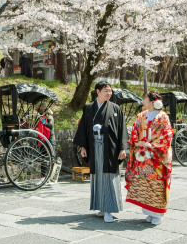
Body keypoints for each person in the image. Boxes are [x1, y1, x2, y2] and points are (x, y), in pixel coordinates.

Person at [73, 82, 129, 223]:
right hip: (94, 147)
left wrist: (123, 148)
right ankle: (101, 207)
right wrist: (84, 147)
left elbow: (122, 130)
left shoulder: (116, 109)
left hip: (110, 148)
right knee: (97, 177)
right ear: (98, 91)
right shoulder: (89, 108)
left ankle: (109, 209)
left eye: (110, 91)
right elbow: (84, 128)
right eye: (106, 91)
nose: (109, 93)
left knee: (108, 177)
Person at [125, 90, 174, 225]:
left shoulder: (163, 116)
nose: (143, 101)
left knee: (157, 183)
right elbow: (135, 131)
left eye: (145, 99)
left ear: (153, 101)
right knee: (145, 182)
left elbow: (167, 134)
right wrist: (137, 142)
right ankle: (148, 211)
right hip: (143, 156)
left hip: (157, 156)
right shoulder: (140, 116)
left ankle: (157, 213)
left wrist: (153, 145)